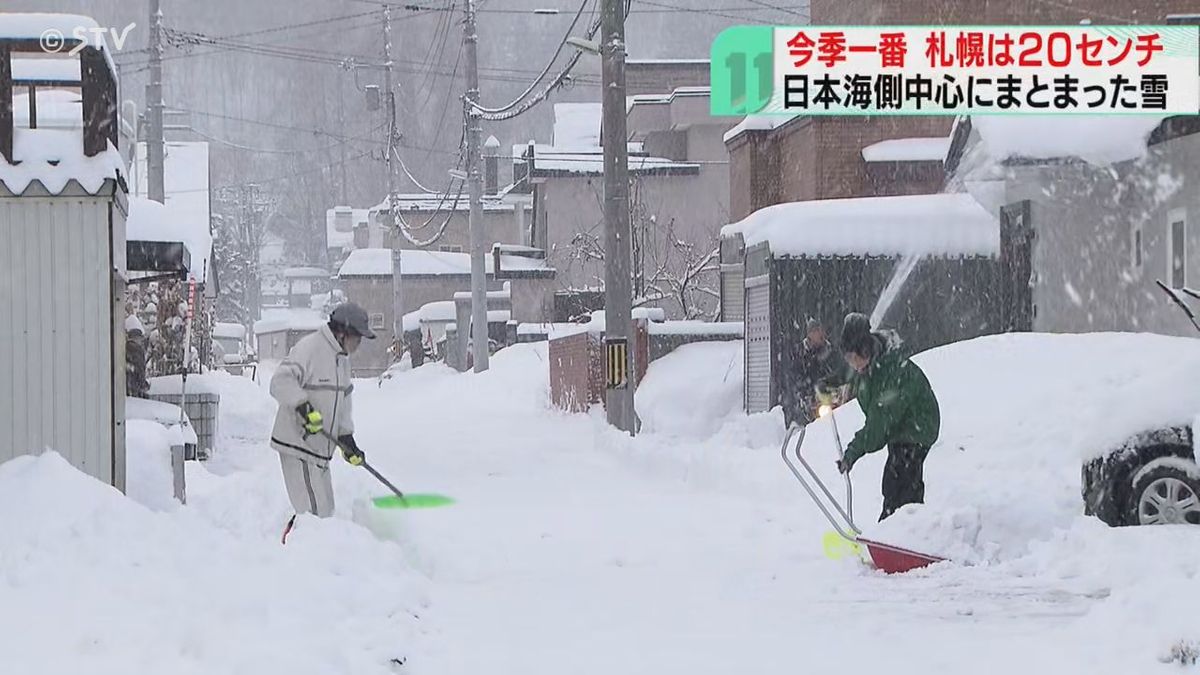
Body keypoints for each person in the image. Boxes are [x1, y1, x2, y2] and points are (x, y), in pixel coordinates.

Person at [270, 302, 375, 542]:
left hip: (321, 450)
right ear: (342, 332)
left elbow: (343, 403)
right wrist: (303, 407)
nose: (358, 345)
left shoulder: (342, 360)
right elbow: (280, 381)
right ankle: (295, 555)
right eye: (357, 339)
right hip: (298, 444)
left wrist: (346, 439)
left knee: (325, 513)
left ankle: (308, 556)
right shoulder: (310, 348)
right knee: (313, 515)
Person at [835, 312, 940, 521]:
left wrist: (852, 453)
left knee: (902, 482)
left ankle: (905, 533)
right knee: (895, 481)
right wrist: (829, 384)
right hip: (900, 427)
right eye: (848, 359)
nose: (852, 364)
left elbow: (877, 428)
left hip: (917, 426)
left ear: (865, 349)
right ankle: (897, 532)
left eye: (854, 358)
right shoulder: (871, 366)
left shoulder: (890, 373)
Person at [783, 318, 848, 426]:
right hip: (809, 401)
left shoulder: (831, 351)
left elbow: (839, 370)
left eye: (821, 330)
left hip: (830, 397)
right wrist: (804, 393)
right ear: (810, 334)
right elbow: (795, 377)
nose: (821, 333)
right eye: (817, 331)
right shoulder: (800, 354)